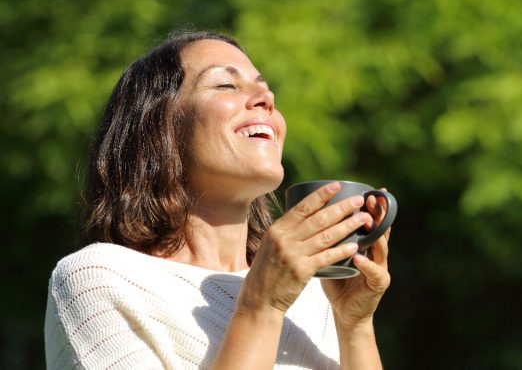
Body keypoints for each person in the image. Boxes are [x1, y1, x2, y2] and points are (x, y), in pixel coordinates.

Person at [44, 31, 392, 369]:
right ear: (160, 124)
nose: (265, 99)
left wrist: (355, 326)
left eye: (266, 89)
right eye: (226, 85)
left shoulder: (313, 296)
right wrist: (261, 306)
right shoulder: (98, 279)